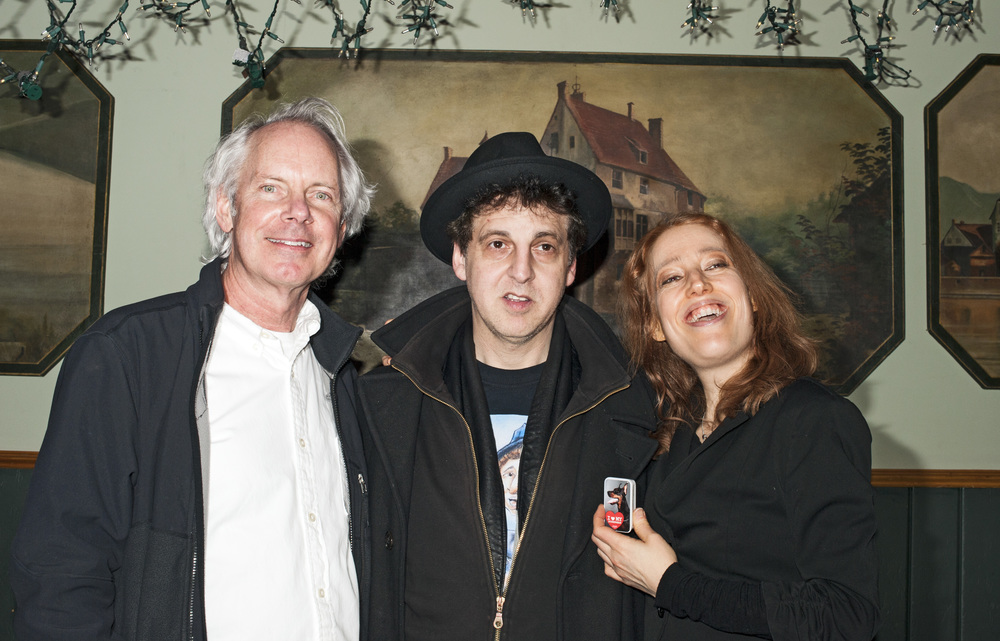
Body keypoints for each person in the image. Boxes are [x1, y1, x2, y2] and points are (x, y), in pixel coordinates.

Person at [10, 97, 376, 641]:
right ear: (226, 208)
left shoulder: (344, 378)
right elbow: (62, 574)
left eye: (321, 196)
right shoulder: (128, 356)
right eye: (271, 188)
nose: (298, 212)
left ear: (341, 228)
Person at [358, 132, 659, 641]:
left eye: (544, 246)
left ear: (570, 267)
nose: (521, 272)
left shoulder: (634, 408)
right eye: (498, 244)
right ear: (461, 259)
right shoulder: (383, 403)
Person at [591, 212, 880, 641]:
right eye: (671, 278)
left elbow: (846, 615)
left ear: (754, 295)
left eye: (715, 265)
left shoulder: (814, 419)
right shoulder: (666, 434)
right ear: (654, 325)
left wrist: (669, 583)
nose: (698, 283)